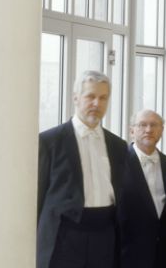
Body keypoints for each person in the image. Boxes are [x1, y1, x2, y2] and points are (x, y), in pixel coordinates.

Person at [38, 70, 128, 268]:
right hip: (64, 235)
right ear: (76, 98)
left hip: (105, 235)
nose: (97, 103)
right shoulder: (50, 141)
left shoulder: (119, 146)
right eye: (90, 96)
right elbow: (38, 197)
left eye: (103, 98)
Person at [119, 109, 166, 268]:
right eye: (142, 125)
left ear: (162, 130)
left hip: (165, 254)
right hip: (127, 254)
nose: (148, 129)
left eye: (154, 125)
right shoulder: (117, 164)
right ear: (132, 131)